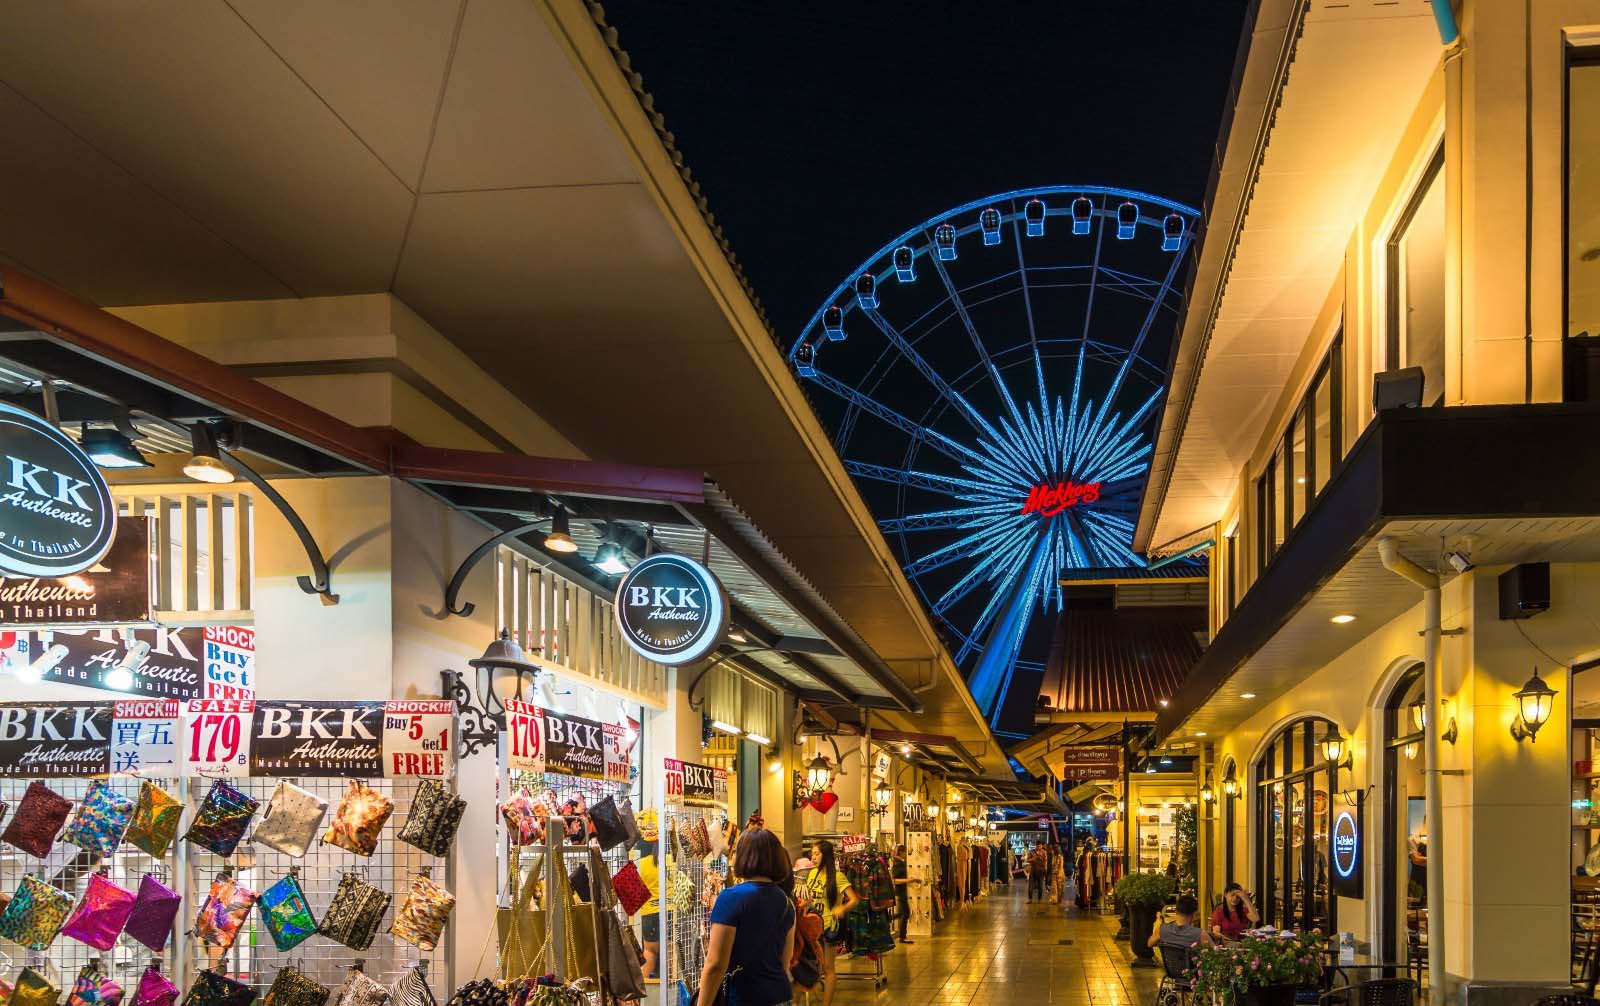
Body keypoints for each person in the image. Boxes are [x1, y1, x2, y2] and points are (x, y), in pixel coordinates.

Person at [699, 828, 797, 1006]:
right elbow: (784, 961)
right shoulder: (786, 902)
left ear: (744, 857)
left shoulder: (731, 898)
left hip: (743, 997)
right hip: (780, 996)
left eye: (736, 851)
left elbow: (716, 964)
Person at [805, 839, 861, 1006]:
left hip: (829, 927)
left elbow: (854, 899)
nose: (813, 857)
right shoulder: (812, 874)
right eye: (812, 854)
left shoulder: (838, 876)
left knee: (829, 968)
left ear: (826, 856)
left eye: (817, 854)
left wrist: (842, 908)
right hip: (810, 926)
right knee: (807, 965)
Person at [1150, 894, 1214, 973]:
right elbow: (1215, 954)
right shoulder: (1200, 934)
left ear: (1176, 911)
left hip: (1171, 972)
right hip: (1192, 975)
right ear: (1193, 914)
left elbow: (1150, 943)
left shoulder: (1162, 929)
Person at [891, 844, 914, 944]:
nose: (906, 854)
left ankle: (902, 936)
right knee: (906, 913)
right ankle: (902, 936)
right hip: (900, 892)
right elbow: (895, 880)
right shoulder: (897, 864)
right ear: (901, 852)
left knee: (902, 913)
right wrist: (909, 880)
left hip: (902, 891)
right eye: (905, 852)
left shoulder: (901, 863)